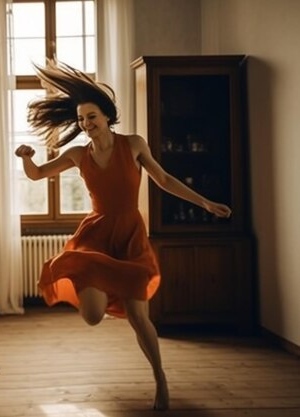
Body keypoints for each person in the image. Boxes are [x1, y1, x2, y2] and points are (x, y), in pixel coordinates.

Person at [14, 61, 232, 410]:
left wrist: (205, 203)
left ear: (107, 116)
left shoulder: (133, 144)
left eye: (92, 117)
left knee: (138, 315)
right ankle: (105, 291)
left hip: (130, 236)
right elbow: (38, 174)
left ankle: (161, 380)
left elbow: (164, 180)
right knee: (92, 316)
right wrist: (26, 157)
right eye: (82, 119)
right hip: (96, 236)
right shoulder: (76, 154)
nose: (86, 124)